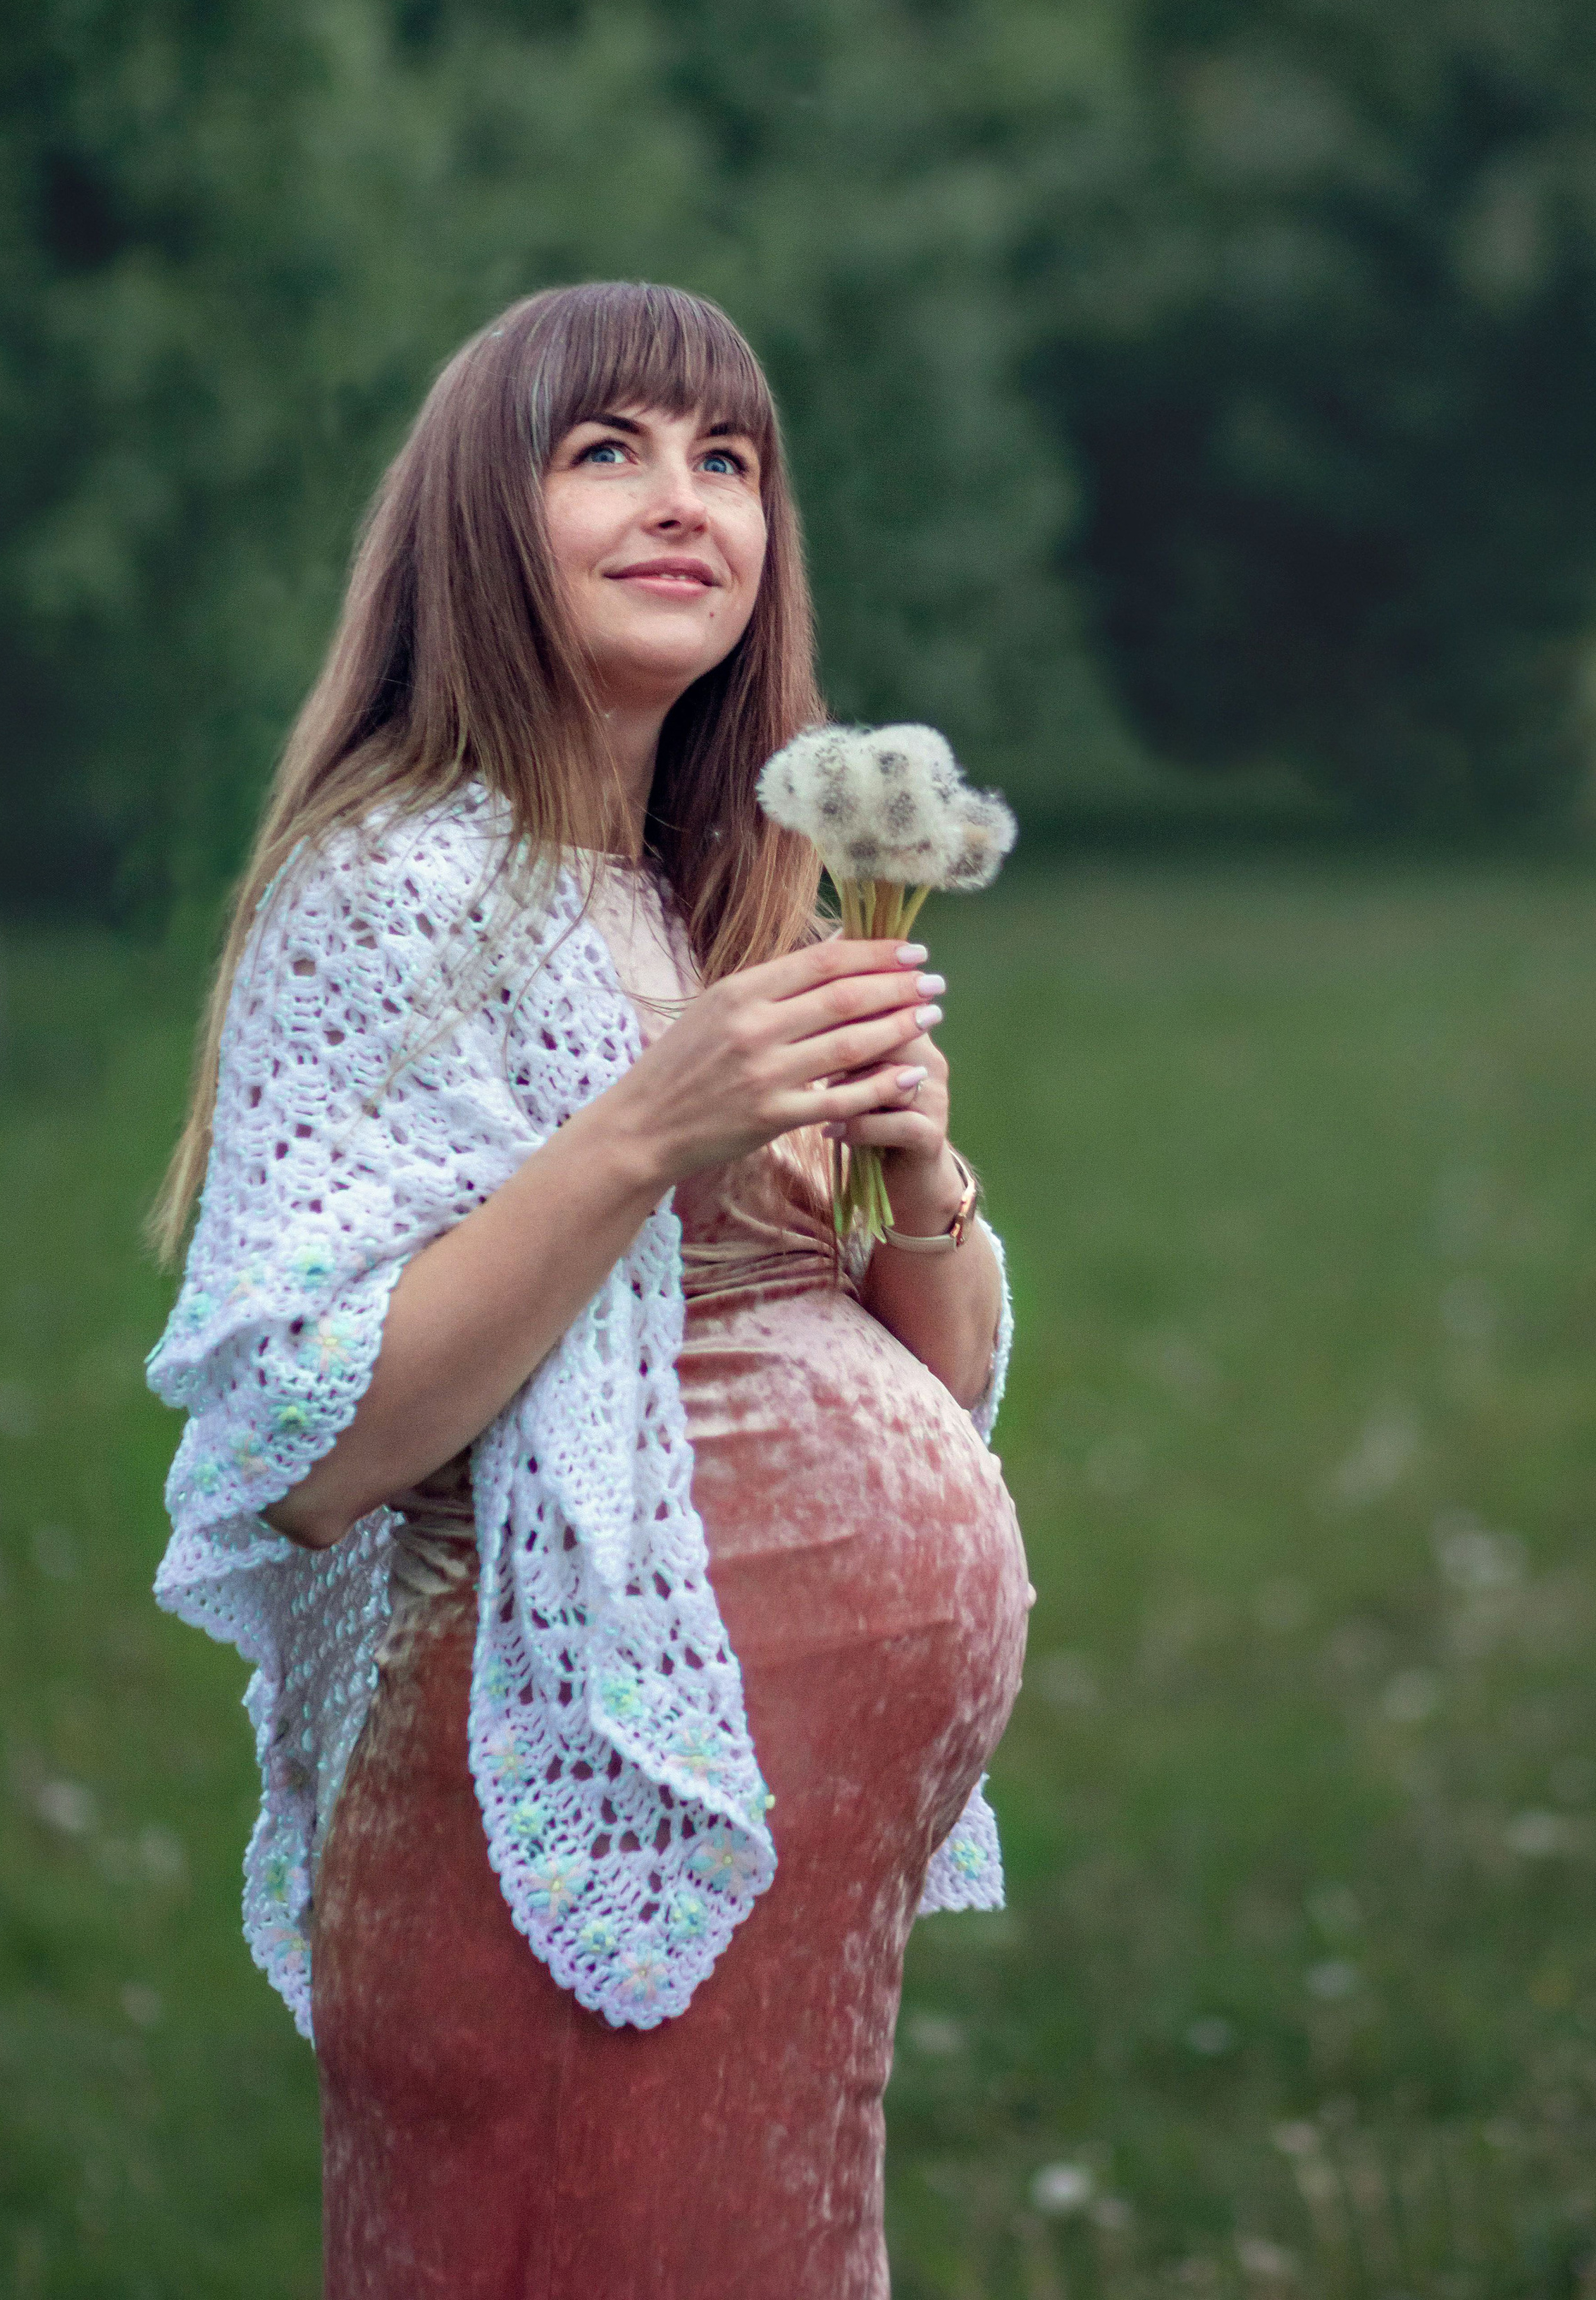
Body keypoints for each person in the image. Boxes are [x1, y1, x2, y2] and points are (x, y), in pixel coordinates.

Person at [147, 281, 1031, 2299]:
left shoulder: (706, 890)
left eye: (731, 462)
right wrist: (647, 1130)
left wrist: (917, 1163)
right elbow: (316, 1439)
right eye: (606, 450)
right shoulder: (388, 891)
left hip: (797, 1883)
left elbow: (922, 1384)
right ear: (482, 518)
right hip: (570, 1845)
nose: (686, 500)